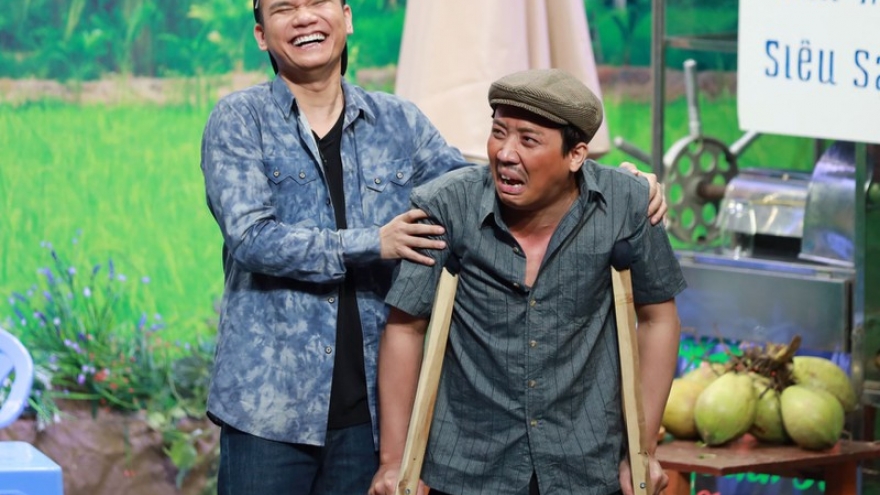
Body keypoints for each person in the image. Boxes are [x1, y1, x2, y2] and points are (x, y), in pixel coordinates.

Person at [200, 1, 669, 493]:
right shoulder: (239, 119)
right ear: (261, 35)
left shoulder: (398, 122)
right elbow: (251, 237)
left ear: (347, 17)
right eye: (284, 8)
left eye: (317, 2)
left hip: (370, 415)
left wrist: (614, 184)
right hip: (269, 409)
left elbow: (485, 186)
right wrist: (373, 242)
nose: (304, 18)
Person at [369, 68, 686, 495]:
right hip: (469, 465)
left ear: (576, 155)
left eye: (528, 140)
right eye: (498, 132)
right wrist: (394, 461)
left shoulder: (627, 205)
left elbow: (658, 319)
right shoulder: (448, 206)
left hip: (586, 462)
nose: (505, 153)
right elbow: (406, 328)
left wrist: (642, 450)